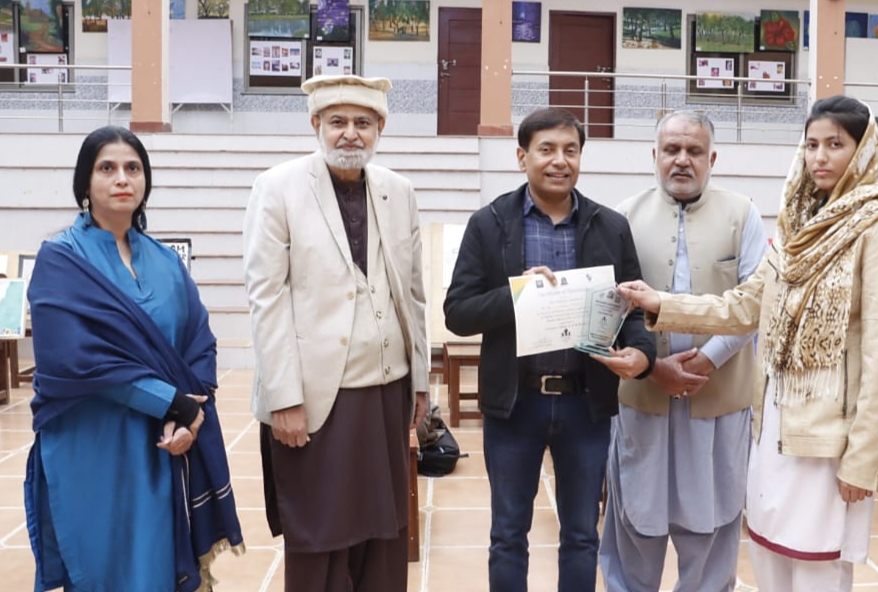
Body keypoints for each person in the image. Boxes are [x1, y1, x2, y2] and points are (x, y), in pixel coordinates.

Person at [620, 95, 878, 591]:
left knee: (817, 571)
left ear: (864, 150)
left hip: (828, 439)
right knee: (769, 561)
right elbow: (744, 305)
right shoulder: (797, 226)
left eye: (835, 144)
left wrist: (864, 459)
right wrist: (661, 302)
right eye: (811, 144)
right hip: (775, 428)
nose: (820, 157)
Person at [443, 107, 657, 592]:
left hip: (586, 405)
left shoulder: (610, 226)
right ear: (522, 157)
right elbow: (458, 310)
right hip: (515, 404)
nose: (560, 161)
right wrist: (517, 295)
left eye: (571, 150)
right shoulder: (490, 223)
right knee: (507, 535)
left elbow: (634, 312)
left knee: (582, 534)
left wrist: (642, 357)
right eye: (546, 150)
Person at [25, 126, 243, 592]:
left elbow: (199, 342)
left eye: (133, 168)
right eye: (107, 168)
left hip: (162, 442)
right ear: (86, 183)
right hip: (94, 440)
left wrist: (191, 416)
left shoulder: (166, 262)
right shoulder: (61, 259)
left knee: (158, 564)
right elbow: (75, 361)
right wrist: (174, 404)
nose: (122, 178)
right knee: (109, 565)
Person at [244, 74, 429, 592]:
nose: (351, 134)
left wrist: (419, 385)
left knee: (385, 536)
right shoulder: (277, 187)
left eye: (363, 123)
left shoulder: (399, 192)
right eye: (338, 122)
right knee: (320, 537)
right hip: (314, 398)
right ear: (316, 125)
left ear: (380, 129)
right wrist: (283, 397)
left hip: (385, 392)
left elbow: (412, 294)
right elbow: (267, 298)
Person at [599, 110, 767, 592]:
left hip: (717, 401)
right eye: (671, 150)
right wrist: (654, 370)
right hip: (643, 399)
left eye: (694, 151)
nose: (682, 160)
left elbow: (757, 300)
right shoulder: (623, 217)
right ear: (654, 156)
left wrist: (707, 359)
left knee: (712, 523)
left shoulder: (743, 214)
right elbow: (609, 309)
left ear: (712, 158)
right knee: (636, 521)